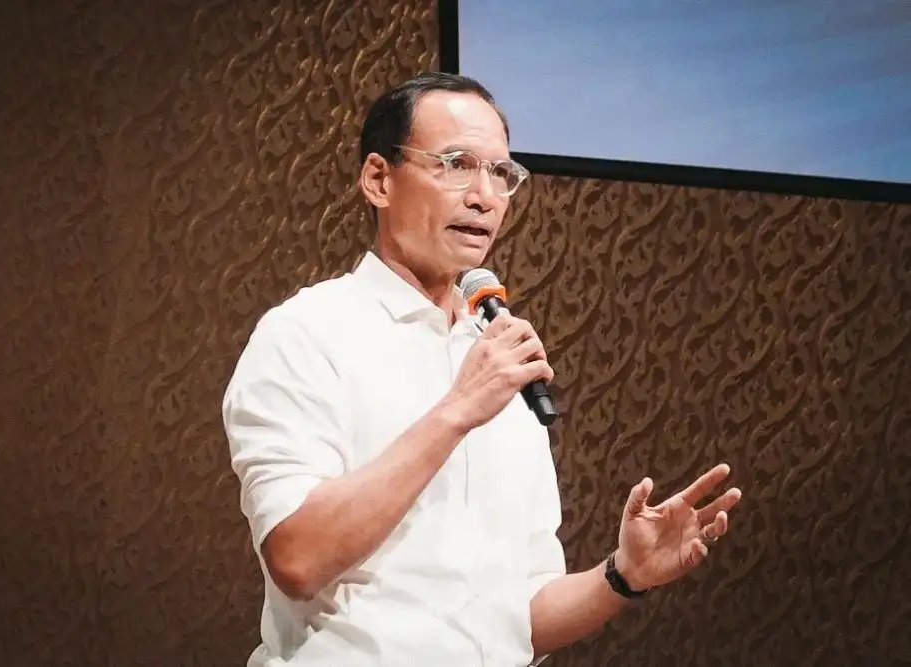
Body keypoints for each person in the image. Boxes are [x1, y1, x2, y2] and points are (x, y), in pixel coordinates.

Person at [222, 71, 742, 666]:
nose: (484, 196)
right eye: (456, 164)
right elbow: (297, 558)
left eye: (501, 173)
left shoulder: (499, 358)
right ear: (379, 179)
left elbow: (520, 618)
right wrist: (457, 411)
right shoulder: (305, 334)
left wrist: (623, 575)